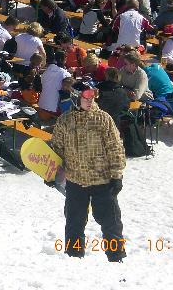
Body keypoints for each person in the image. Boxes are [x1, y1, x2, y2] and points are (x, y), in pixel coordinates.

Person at [50, 79, 126, 262]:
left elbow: (115, 148)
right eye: (87, 96)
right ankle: (73, 258)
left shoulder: (102, 118)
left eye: (94, 95)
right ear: (76, 97)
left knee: (111, 223)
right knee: (74, 223)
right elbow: (57, 150)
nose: (91, 99)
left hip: (102, 181)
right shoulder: (65, 121)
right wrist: (52, 173)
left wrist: (117, 176)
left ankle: (116, 258)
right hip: (76, 181)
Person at [37, 50, 71, 119]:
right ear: (63, 60)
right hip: (53, 109)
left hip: (41, 104)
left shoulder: (48, 69)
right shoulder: (66, 74)